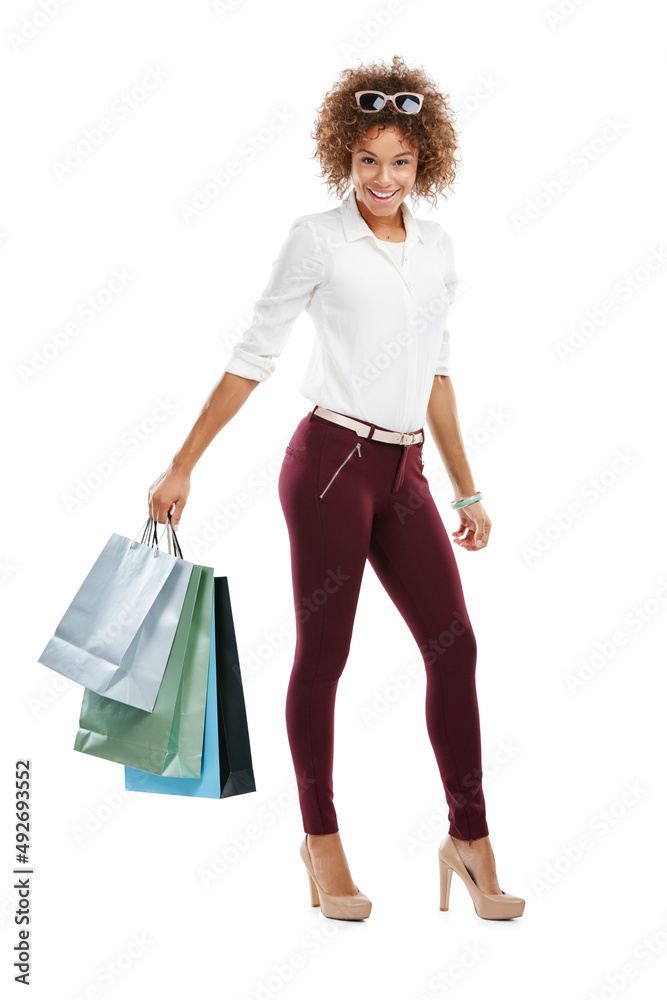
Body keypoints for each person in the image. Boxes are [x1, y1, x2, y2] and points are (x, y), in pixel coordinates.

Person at [147, 55, 524, 921]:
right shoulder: (315, 239)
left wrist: (465, 493)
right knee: (326, 655)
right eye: (366, 161)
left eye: (399, 161)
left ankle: (468, 839)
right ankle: (321, 845)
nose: (383, 179)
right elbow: (253, 356)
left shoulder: (435, 247)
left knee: (454, 644)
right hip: (329, 468)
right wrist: (183, 462)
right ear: (341, 159)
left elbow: (436, 373)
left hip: (404, 472)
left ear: (425, 159)